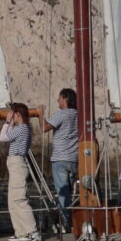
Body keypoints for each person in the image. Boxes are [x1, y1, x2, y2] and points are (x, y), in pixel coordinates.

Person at [0, 102, 37, 241]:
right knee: (12, 201)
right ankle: (21, 232)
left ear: (17, 114)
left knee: (19, 199)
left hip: (17, 165)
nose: (10, 116)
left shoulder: (22, 128)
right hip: (15, 164)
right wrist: (11, 124)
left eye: (12, 113)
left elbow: (3, 137)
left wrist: (7, 122)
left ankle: (32, 231)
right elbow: (8, 136)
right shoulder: (22, 128)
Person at [45, 87, 80, 215]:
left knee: (62, 194)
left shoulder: (61, 114)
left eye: (59, 98)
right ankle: (70, 220)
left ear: (65, 99)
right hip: (74, 159)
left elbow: (44, 128)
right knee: (69, 194)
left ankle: (65, 224)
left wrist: (40, 113)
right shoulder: (78, 114)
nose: (57, 100)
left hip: (60, 159)